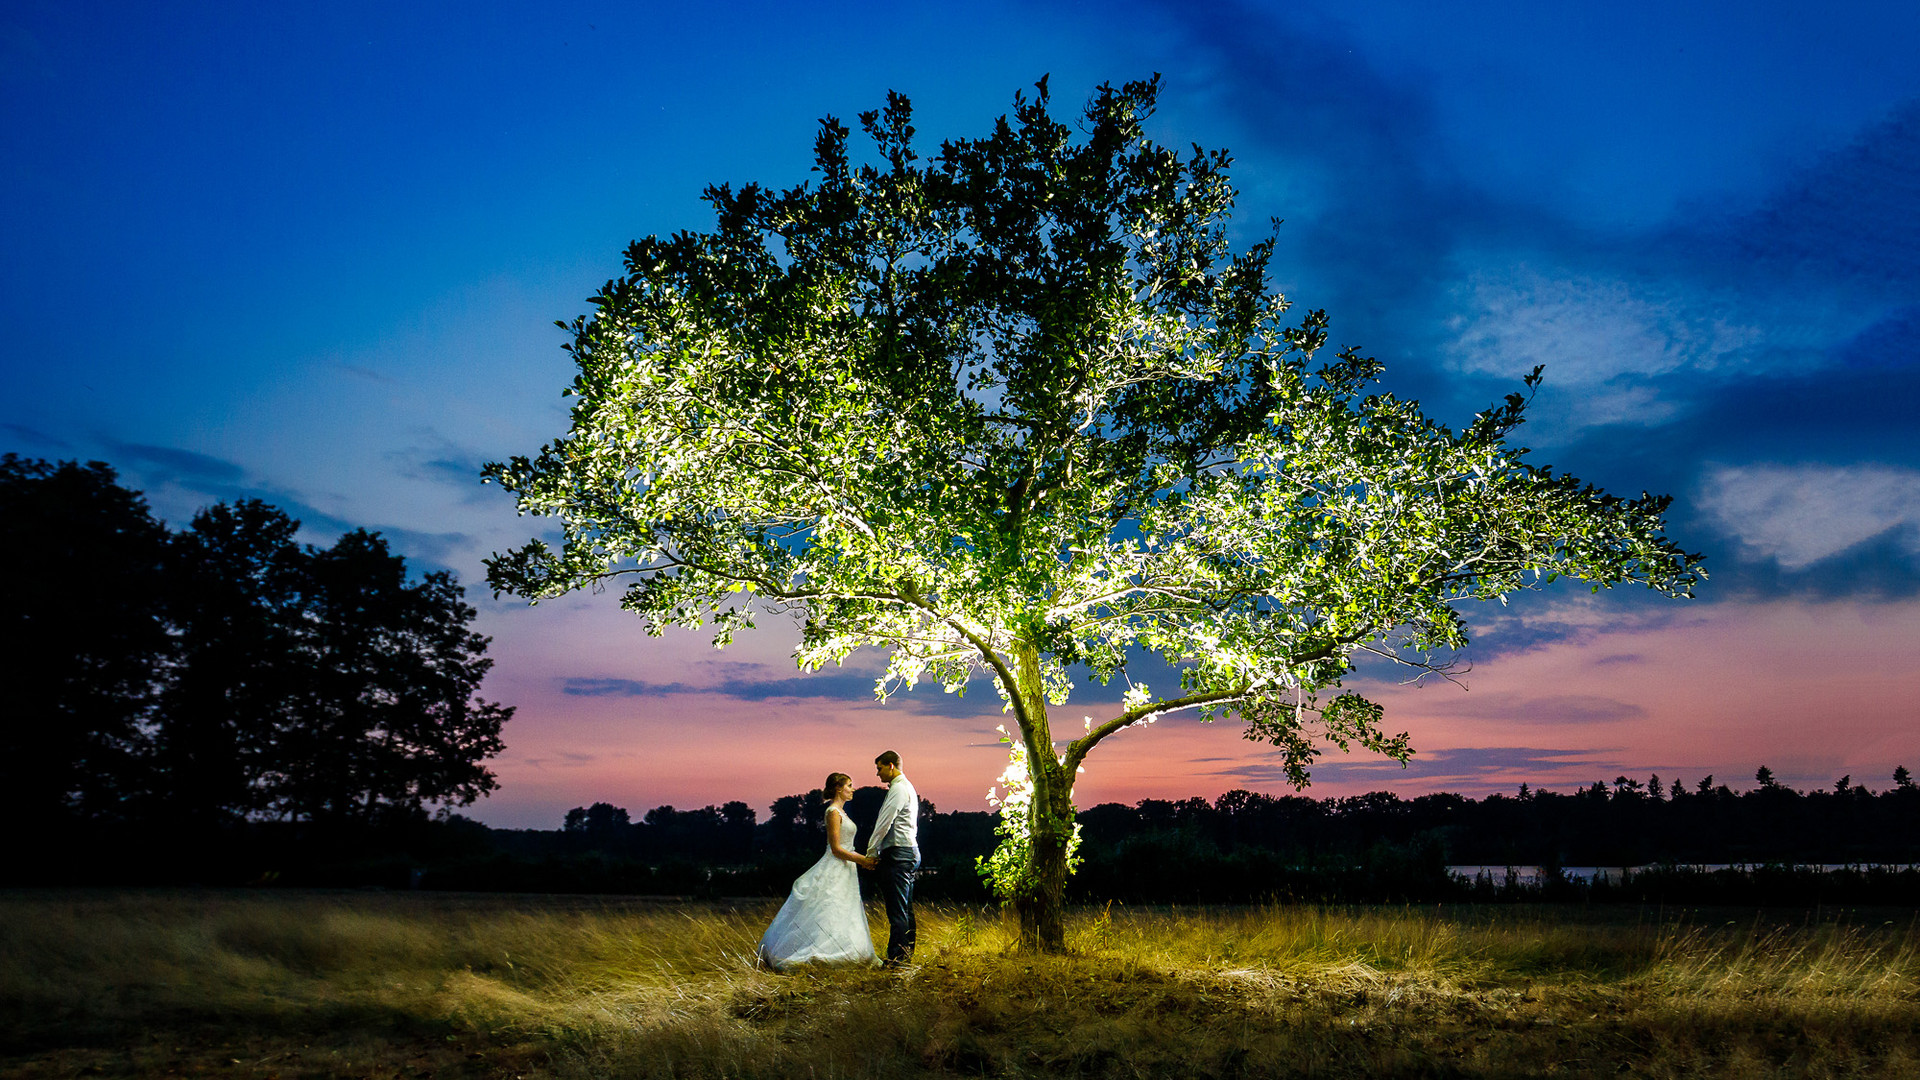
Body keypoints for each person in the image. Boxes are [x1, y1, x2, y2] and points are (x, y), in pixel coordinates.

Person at [756, 772, 879, 971]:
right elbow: (837, 849)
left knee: (844, 909)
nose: (852, 789)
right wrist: (863, 860)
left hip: (847, 869)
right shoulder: (832, 812)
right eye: (849, 785)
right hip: (837, 865)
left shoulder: (842, 812)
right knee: (829, 908)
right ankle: (821, 950)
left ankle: (848, 948)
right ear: (838, 788)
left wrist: (861, 860)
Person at [862, 749, 919, 966]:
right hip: (908, 851)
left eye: (879, 768)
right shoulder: (906, 788)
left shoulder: (898, 789)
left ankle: (897, 959)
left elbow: (884, 822)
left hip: (898, 854)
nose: (878, 774)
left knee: (897, 910)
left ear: (891, 766)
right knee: (905, 908)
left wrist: (871, 851)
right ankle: (904, 956)